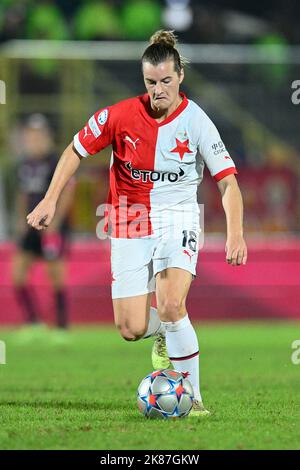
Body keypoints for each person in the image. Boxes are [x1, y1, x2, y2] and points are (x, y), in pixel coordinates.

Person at [26, 31, 247, 416]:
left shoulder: (197, 121)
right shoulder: (118, 115)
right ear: (143, 80)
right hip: (127, 217)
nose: (158, 89)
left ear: (180, 76)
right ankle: (162, 330)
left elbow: (228, 182)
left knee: (172, 303)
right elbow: (74, 149)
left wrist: (236, 234)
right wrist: (49, 198)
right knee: (129, 328)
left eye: (165, 81)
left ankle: (192, 398)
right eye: (150, 82)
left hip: (178, 217)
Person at [13, 114, 75, 334]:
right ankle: (33, 323)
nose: (33, 140)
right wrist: (22, 220)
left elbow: (68, 190)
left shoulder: (56, 161)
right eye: (30, 135)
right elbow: (23, 194)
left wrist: (56, 221)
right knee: (17, 274)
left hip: (52, 225)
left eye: (38, 135)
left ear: (47, 136)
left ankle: (61, 326)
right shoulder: (25, 164)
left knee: (56, 274)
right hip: (31, 225)